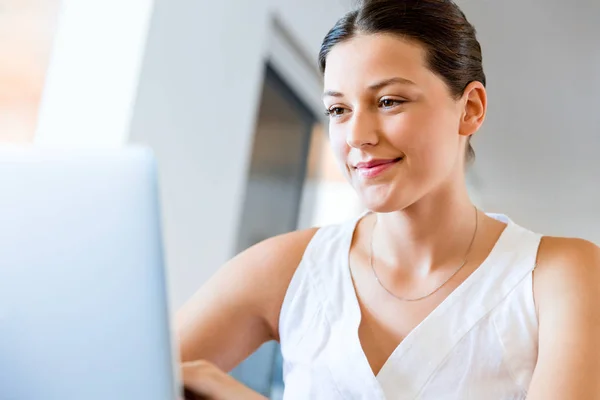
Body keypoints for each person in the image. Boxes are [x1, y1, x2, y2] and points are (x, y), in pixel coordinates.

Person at [177, 0, 600, 398]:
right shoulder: (287, 269)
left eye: (388, 101)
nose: (358, 136)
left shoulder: (559, 276)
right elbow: (121, 375)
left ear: (469, 109)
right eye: (339, 110)